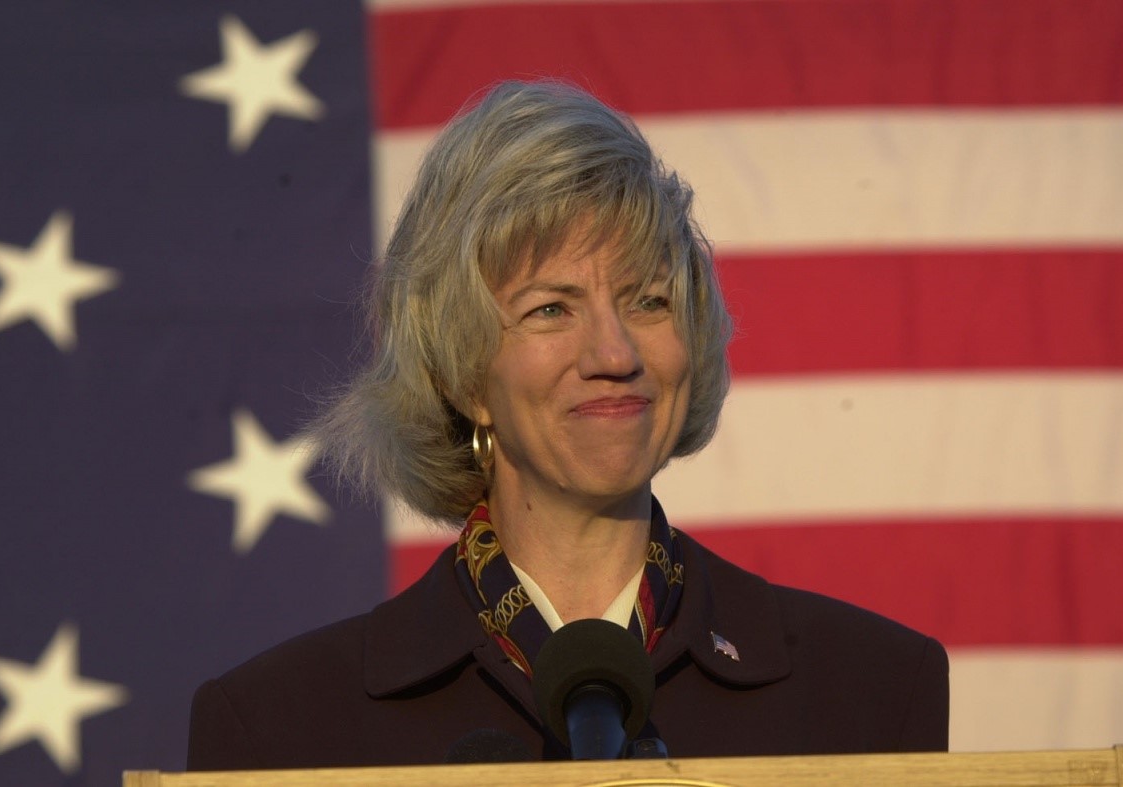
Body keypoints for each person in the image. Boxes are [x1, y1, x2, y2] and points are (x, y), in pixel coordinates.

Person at [187, 80, 948, 770]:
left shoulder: (871, 690)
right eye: (550, 308)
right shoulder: (278, 727)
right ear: (462, 373)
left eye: (648, 300)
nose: (614, 353)